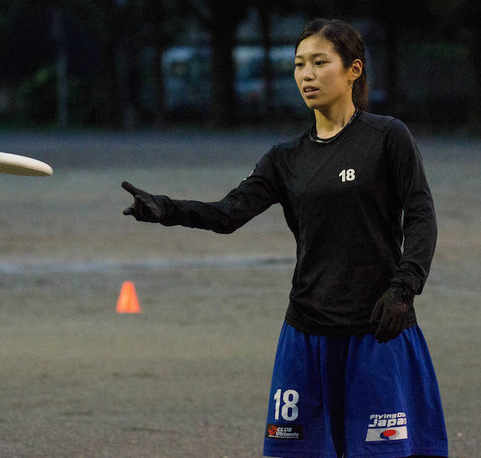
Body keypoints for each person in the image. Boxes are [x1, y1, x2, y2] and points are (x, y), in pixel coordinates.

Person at [121, 19, 448, 458]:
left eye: (319, 62)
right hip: (306, 333)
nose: (306, 75)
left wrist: (404, 289)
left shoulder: (387, 137)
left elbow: (422, 217)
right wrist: (167, 209)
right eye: (298, 65)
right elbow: (228, 214)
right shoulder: (285, 158)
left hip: (377, 330)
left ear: (353, 70)